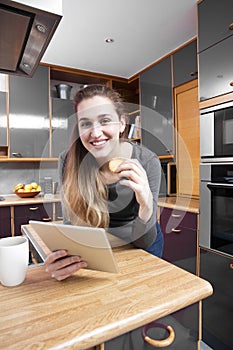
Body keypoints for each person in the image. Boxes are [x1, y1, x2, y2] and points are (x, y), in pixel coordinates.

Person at [45, 84, 163, 281]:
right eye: (86, 123)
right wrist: (63, 260)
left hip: (140, 244)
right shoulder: (69, 160)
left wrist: (145, 203)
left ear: (122, 123)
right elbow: (71, 225)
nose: (96, 133)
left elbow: (145, 241)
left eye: (105, 120)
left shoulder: (147, 161)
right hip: (95, 246)